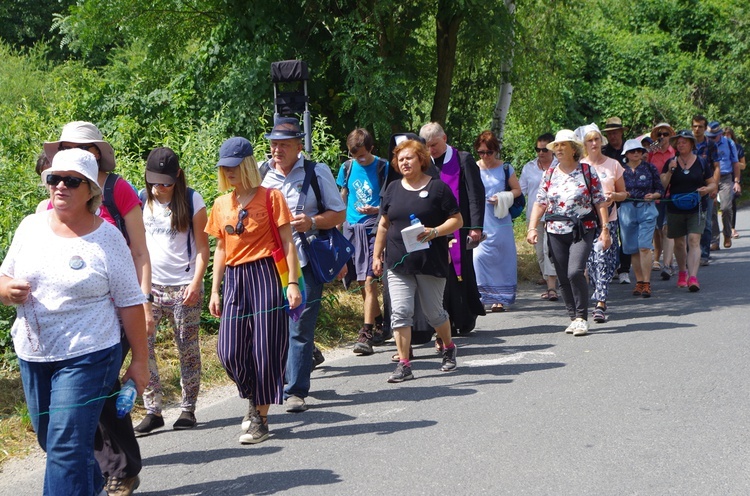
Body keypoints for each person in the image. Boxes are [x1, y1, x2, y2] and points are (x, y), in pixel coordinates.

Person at [0, 149, 148, 496]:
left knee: (65, 445)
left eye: (71, 181)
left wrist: (140, 361)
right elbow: (3, 278)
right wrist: (7, 291)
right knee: (52, 440)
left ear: (91, 191)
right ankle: (90, 483)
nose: (60, 186)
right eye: (54, 179)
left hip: (89, 353)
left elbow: (130, 302)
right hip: (34, 352)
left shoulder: (107, 238)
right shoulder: (30, 226)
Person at [44, 121, 151, 495]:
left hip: (117, 309)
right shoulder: (57, 194)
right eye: (66, 148)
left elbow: (139, 250)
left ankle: (121, 469)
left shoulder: (117, 188)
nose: (72, 155)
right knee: (88, 404)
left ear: (96, 153)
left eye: (82, 147)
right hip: (67, 320)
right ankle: (100, 472)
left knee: (99, 393)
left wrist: (144, 301)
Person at [206, 136, 302, 444]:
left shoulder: (271, 198)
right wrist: (215, 290)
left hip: (266, 275)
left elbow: (288, 243)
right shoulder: (221, 204)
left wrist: (293, 283)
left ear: (247, 165)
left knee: (265, 349)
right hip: (235, 277)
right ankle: (252, 396)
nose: (229, 172)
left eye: (234, 167)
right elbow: (220, 248)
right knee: (229, 351)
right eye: (225, 168)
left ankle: (260, 417)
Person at [260, 117, 346, 413]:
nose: (277, 150)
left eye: (283, 144)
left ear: (299, 146)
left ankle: (295, 390)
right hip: (269, 262)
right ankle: (283, 377)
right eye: (273, 143)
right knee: (273, 326)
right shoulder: (261, 172)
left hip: (305, 259)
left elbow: (338, 213)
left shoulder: (316, 171)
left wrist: (310, 222)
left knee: (299, 325)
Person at [373, 139, 463, 382]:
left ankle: (448, 346)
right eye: (400, 159)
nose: (404, 162)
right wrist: (376, 256)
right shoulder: (392, 189)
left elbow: (457, 220)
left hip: (430, 261)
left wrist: (435, 231)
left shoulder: (438, 189)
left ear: (421, 160)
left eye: (409, 158)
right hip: (397, 262)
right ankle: (404, 363)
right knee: (401, 313)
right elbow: (383, 224)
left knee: (434, 314)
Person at [133, 147, 210, 435]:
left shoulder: (192, 201)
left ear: (177, 176)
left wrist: (195, 283)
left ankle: (188, 408)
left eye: (165, 182)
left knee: (186, 349)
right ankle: (153, 410)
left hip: (184, 287)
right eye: (154, 182)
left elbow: (204, 249)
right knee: (145, 348)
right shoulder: (142, 200)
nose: (160, 188)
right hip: (150, 287)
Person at [526, 130, 610, 337]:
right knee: (562, 275)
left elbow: (600, 201)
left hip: (583, 228)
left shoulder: (586, 171)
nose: (559, 149)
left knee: (575, 271)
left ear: (574, 148)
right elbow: (540, 202)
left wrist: (605, 230)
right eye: (557, 146)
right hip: (555, 229)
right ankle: (573, 317)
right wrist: (531, 227)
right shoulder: (550, 173)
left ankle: (582, 317)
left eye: (564, 145)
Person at [419, 122, 485, 336]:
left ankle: (464, 318)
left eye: (435, 145)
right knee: (439, 273)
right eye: (427, 146)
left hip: (461, 227)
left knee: (460, 273)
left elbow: (475, 195)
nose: (432, 150)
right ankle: (442, 319)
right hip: (434, 228)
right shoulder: (423, 163)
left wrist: (476, 227)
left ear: (444, 138)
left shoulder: (462, 159)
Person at [336, 128, 388, 356]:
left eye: (363, 155)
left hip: (373, 228)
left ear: (371, 149)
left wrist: (377, 209)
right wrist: (337, 230)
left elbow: (390, 199)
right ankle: (380, 323)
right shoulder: (346, 168)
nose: (359, 159)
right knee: (360, 283)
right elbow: (342, 196)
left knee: (370, 280)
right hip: (350, 228)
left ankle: (365, 333)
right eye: (355, 155)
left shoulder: (382, 167)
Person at [578, 124, 627, 324]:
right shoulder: (579, 166)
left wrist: (613, 195)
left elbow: (624, 194)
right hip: (586, 220)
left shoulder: (613, 165)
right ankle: (596, 294)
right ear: (584, 144)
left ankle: (600, 303)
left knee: (604, 260)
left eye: (597, 139)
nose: (594, 143)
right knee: (590, 262)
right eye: (590, 140)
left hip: (610, 219)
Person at [660, 130, 717, 291]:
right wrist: (670, 171)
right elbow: (663, 185)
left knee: (693, 239)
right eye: (678, 142)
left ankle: (693, 277)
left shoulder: (701, 162)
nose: (681, 144)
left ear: (692, 144)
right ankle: (682, 272)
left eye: (684, 141)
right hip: (675, 207)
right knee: (678, 243)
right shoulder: (671, 162)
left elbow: (713, 183)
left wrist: (707, 189)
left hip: (697, 207)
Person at [472, 130, 520, 312]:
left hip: (500, 219)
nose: (485, 156)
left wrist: (502, 197)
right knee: (479, 257)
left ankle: (499, 299)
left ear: (495, 151)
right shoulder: (473, 167)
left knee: (501, 257)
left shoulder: (505, 167)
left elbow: (517, 190)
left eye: (489, 152)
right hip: (480, 218)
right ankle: (482, 295)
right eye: (481, 152)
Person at [619, 139, 664, 297]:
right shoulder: (620, 170)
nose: (636, 153)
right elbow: (616, 190)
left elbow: (660, 189)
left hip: (646, 209)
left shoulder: (650, 168)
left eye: (639, 150)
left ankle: (647, 282)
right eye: (632, 151)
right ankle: (639, 282)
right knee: (632, 248)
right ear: (626, 154)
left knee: (645, 246)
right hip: (626, 210)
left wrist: (654, 195)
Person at [519, 132, 559, 301]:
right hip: (534, 216)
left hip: (554, 215)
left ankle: (552, 286)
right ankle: (548, 277)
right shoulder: (529, 167)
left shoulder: (560, 165)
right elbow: (521, 190)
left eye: (544, 150)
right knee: (540, 252)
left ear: (552, 149)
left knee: (549, 250)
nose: (541, 153)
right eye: (538, 149)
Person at [647, 123, 676, 280]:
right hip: (656, 195)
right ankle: (663, 260)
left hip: (672, 195)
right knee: (657, 230)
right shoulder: (652, 154)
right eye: (660, 135)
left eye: (665, 134)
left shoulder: (675, 153)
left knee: (666, 229)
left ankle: (667, 264)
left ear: (670, 135)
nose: (662, 137)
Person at [705, 121, 741, 249]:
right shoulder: (705, 144)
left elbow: (736, 163)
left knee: (725, 207)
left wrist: (736, 181)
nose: (711, 139)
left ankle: (727, 233)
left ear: (719, 134)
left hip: (726, 177)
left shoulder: (729, 143)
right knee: (712, 210)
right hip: (709, 178)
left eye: (713, 136)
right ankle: (714, 240)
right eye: (709, 136)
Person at [691, 115, 720, 265]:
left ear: (705, 128)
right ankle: (690, 254)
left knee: (706, 222)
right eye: (695, 126)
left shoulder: (710, 145)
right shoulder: (687, 143)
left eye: (700, 126)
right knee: (690, 221)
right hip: (689, 188)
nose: (697, 129)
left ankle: (704, 254)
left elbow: (716, 167)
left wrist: (714, 186)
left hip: (707, 186)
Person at [723, 126, 746, 239]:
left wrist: (734, 163)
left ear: (732, 136)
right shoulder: (718, 147)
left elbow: (743, 165)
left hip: (732, 178)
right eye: (724, 135)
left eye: (728, 135)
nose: (726, 137)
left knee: (731, 204)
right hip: (719, 177)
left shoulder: (737, 147)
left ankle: (732, 228)